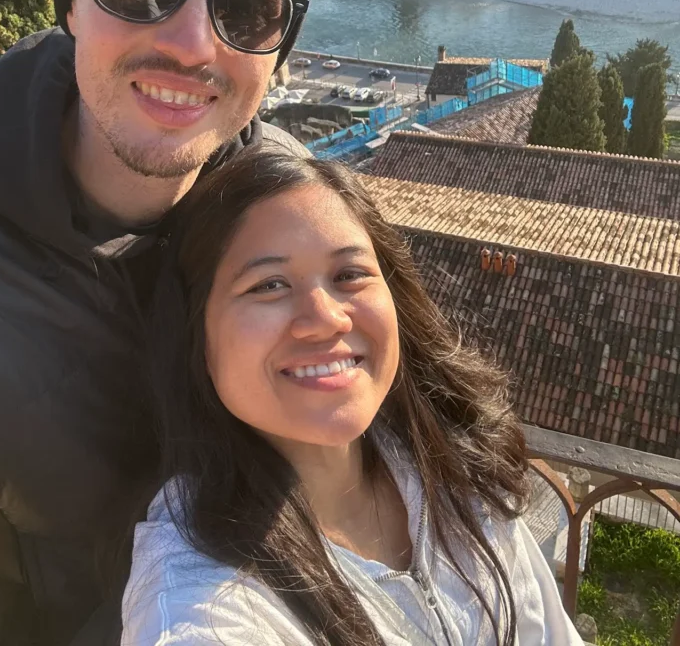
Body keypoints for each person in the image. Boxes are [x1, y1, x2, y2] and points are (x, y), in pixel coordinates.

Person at [0, 0, 311, 645]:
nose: (194, 44)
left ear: (278, 50)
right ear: (71, 1)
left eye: (247, 9)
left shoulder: (296, 211)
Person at [123, 149, 584, 646]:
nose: (327, 317)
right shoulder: (202, 605)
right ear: (197, 338)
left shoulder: (455, 466)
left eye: (349, 275)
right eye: (269, 285)